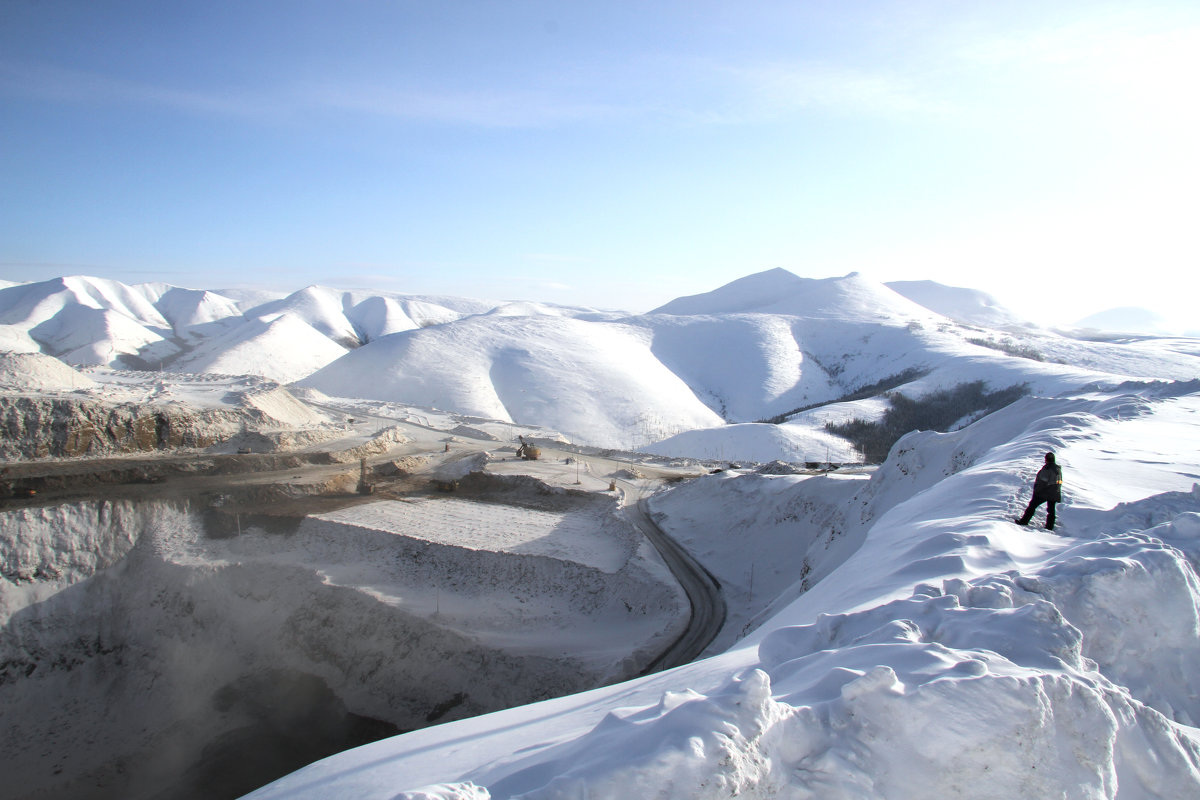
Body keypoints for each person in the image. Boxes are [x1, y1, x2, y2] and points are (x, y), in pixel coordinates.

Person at [1015, 452, 1063, 530]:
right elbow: (1059, 482)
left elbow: (1042, 481)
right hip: (1054, 492)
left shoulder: (1047, 469)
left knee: (1032, 506)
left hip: (1044, 492)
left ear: (1046, 460)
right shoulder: (1058, 469)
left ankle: (1024, 521)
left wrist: (1037, 491)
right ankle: (1050, 527)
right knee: (1051, 510)